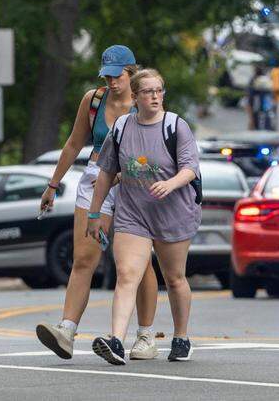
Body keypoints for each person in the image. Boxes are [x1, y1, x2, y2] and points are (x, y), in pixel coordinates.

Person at [34, 45, 160, 361]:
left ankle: (145, 336)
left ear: (131, 72)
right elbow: (74, 142)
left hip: (134, 183)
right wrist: (53, 184)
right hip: (94, 178)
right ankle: (66, 330)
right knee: (83, 259)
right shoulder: (93, 100)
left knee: (137, 264)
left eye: (117, 75)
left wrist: (121, 175)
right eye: (107, 75)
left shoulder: (144, 102)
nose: (112, 81)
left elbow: (154, 153)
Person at [87, 69, 201, 365]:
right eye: (148, 91)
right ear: (135, 97)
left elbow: (190, 168)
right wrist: (95, 212)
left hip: (173, 212)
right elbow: (106, 172)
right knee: (127, 275)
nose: (154, 96)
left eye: (159, 90)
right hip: (133, 213)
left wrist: (171, 183)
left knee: (174, 278)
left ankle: (181, 338)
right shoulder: (123, 127)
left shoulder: (176, 126)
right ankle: (115, 341)